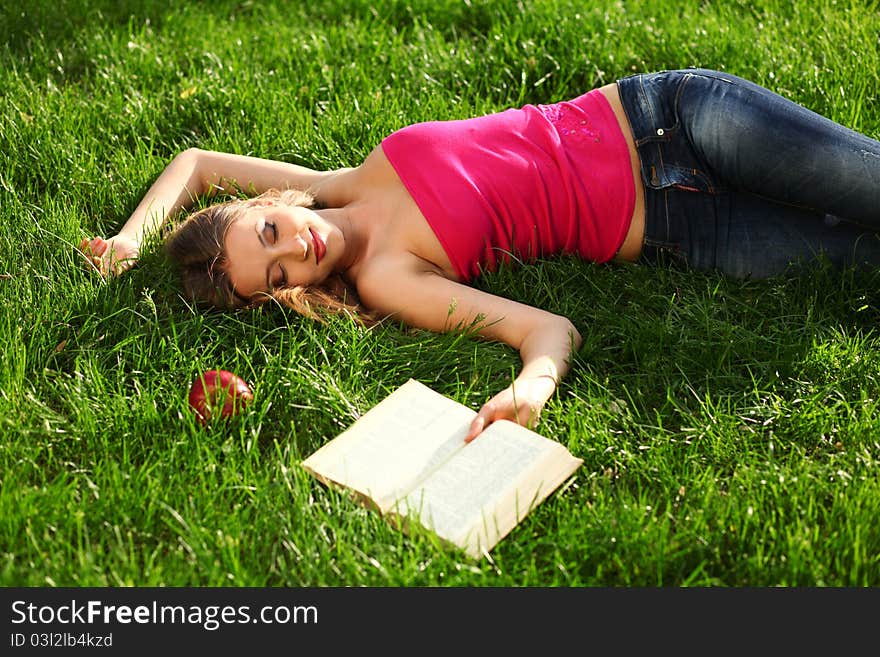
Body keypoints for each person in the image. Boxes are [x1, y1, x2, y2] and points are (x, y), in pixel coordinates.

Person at [79, 68, 880, 441]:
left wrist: (131, 239)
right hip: (682, 229)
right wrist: (529, 390)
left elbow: (197, 163)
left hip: (670, 116)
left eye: (268, 234)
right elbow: (548, 330)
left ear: (267, 206)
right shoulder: (389, 280)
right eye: (281, 276)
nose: (298, 249)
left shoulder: (339, 180)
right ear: (290, 293)